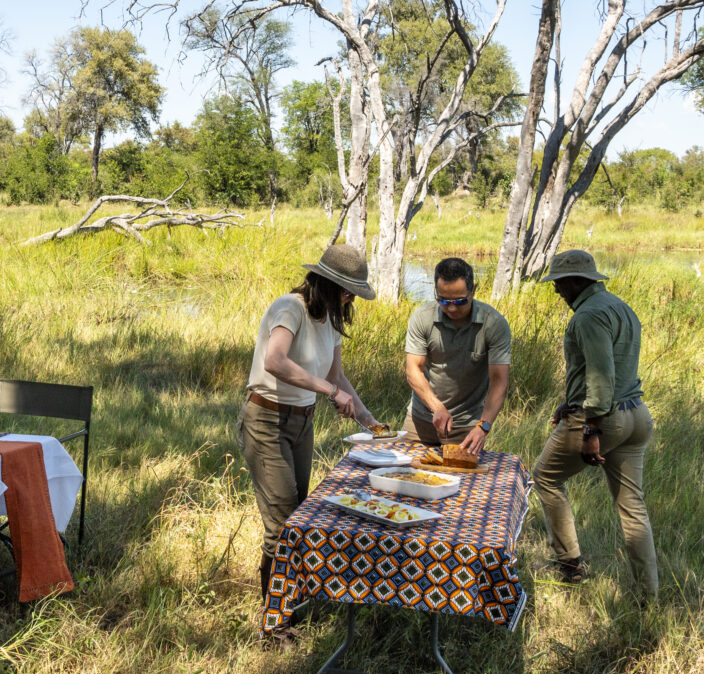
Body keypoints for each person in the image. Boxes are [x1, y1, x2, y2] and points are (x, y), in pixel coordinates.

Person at [237, 244, 381, 608]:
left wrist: (368, 419)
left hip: (302, 421)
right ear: (328, 285)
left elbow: (338, 376)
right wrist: (328, 390)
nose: (350, 302)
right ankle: (275, 619)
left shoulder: (329, 320)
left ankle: (294, 598)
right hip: (267, 419)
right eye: (347, 293)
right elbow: (274, 361)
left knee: (300, 515)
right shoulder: (290, 308)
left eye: (354, 295)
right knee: (283, 524)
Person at [533, 249, 657, 596]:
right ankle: (648, 594)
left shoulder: (587, 316)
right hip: (637, 415)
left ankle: (569, 567)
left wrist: (590, 428)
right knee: (633, 509)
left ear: (576, 282)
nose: (557, 290)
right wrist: (570, 401)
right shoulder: (621, 306)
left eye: (559, 283)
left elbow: (602, 378)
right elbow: (614, 369)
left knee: (545, 478)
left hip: (605, 419)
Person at [403, 257, 511, 453]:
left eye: (460, 301)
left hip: (466, 427)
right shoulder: (422, 318)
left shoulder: (494, 324)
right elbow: (413, 370)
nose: (452, 308)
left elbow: (499, 381)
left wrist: (483, 427)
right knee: (402, 477)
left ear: (473, 290)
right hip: (419, 422)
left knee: (461, 483)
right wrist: (437, 407)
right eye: (443, 300)